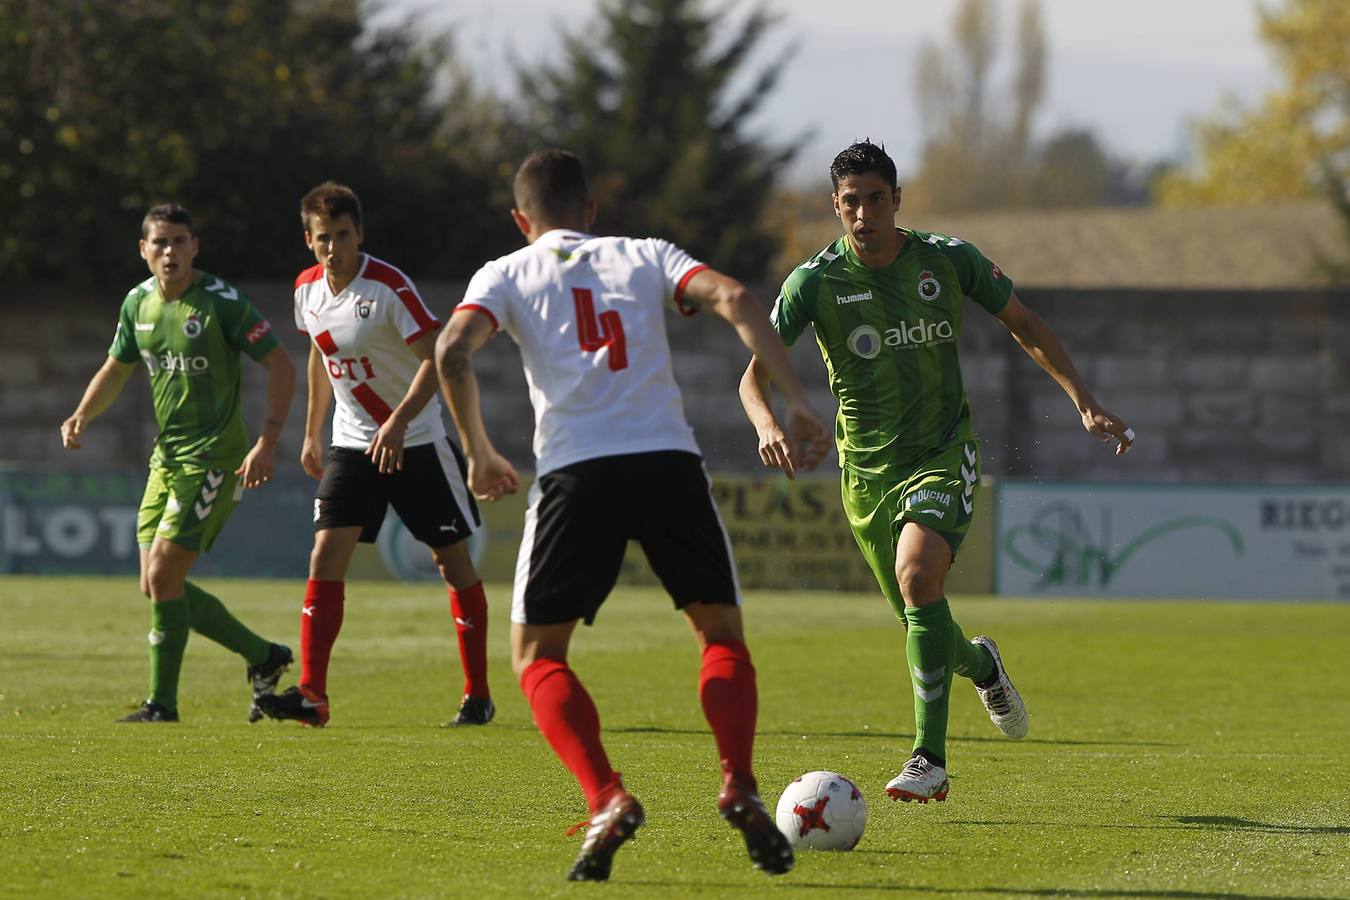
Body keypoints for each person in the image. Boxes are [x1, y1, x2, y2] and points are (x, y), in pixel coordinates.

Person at [435, 149, 829, 882]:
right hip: (667, 465)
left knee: (537, 658)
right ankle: (738, 782)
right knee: (719, 634)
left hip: (576, 473)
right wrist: (798, 402)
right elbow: (738, 297)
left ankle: (608, 799)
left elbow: (453, 348)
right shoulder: (645, 255)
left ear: (523, 221)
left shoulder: (505, 273)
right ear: (589, 210)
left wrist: (478, 451)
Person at [741, 140, 1135, 804]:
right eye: (850, 203)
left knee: (920, 576)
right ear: (834, 208)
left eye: (874, 199)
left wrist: (1083, 401)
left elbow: (1023, 321)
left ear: (897, 200)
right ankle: (984, 666)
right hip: (864, 474)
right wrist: (767, 426)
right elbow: (752, 377)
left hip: (943, 451)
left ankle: (930, 761)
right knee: (924, 620)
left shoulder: (947, 260)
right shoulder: (814, 283)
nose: (863, 215)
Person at [255, 182, 492, 729]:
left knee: (452, 564)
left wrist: (399, 422)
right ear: (308, 239)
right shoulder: (306, 290)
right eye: (323, 239)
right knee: (324, 558)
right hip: (352, 445)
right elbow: (321, 357)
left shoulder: (390, 288)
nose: (334, 248)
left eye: (343, 235)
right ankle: (313, 694)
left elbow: (435, 359)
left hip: (417, 442)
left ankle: (477, 695)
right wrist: (312, 433)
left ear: (360, 232)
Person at [60, 203, 297, 723]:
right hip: (166, 459)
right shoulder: (137, 303)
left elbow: (281, 363)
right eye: (160, 243)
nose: (170, 252)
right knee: (154, 582)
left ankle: (162, 705)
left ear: (195, 247)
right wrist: (82, 414)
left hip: (215, 457)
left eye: (180, 241)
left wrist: (269, 440)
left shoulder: (222, 303)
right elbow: (116, 368)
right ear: (143, 250)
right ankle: (265, 656)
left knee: (165, 574)